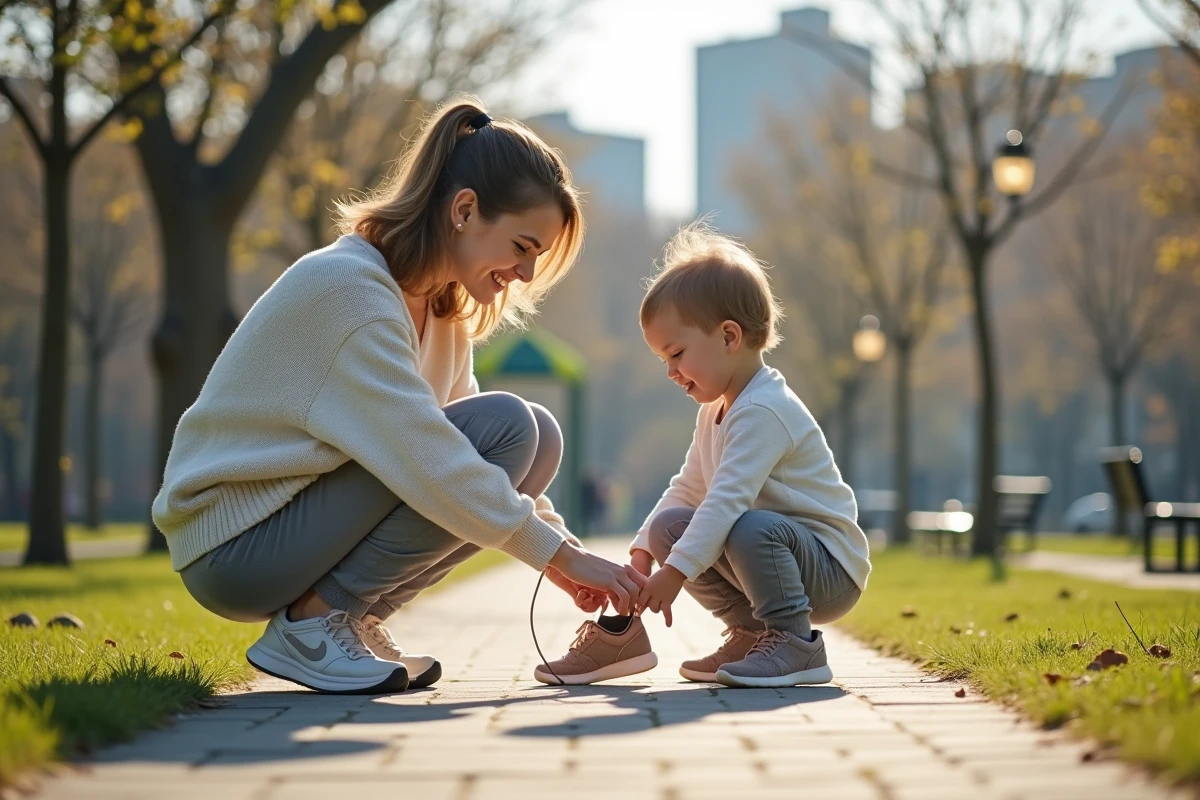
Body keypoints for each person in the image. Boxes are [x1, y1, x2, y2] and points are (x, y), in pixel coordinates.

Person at [153, 99, 645, 696]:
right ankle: (313, 624)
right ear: (464, 210)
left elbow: (463, 462)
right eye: (522, 246)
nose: (525, 273)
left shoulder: (442, 310)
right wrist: (561, 558)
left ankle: (351, 620)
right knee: (511, 426)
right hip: (236, 543)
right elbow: (431, 460)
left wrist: (560, 558)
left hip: (294, 526)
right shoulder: (352, 293)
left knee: (536, 436)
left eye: (536, 257)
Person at [534, 223, 870, 688]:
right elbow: (689, 487)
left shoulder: (763, 410)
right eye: (663, 360)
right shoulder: (717, 408)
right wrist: (644, 550)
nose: (671, 371)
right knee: (672, 526)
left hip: (829, 568)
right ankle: (752, 633)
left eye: (676, 353)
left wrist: (674, 574)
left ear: (730, 337)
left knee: (748, 525)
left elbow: (727, 500)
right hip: (778, 554)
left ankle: (795, 642)